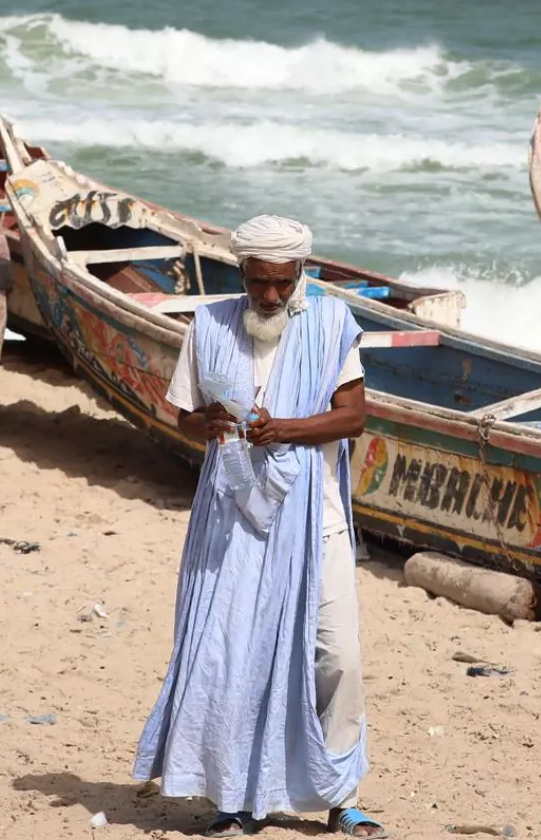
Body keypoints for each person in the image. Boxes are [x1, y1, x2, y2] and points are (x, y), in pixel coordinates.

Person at [134, 215, 385, 839]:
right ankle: (236, 796)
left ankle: (341, 796)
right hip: (233, 522)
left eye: (283, 282)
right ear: (241, 272)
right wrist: (208, 425)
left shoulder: (330, 325)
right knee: (233, 656)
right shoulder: (211, 325)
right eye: (260, 283)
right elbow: (183, 416)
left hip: (316, 522)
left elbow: (352, 418)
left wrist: (287, 430)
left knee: (339, 659)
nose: (271, 296)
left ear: (301, 273)